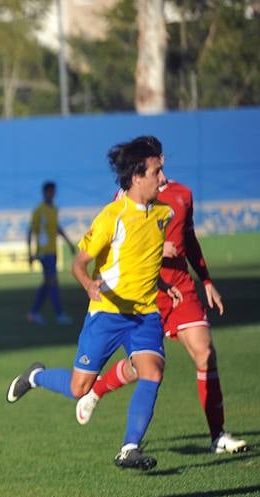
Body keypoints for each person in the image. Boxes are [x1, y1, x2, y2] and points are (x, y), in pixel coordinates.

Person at [6, 137, 181, 471]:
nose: (163, 179)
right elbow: (78, 263)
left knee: (152, 372)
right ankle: (36, 376)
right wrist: (88, 285)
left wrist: (162, 283)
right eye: (157, 171)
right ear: (136, 177)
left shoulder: (163, 213)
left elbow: (145, 258)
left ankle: (130, 448)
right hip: (107, 314)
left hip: (144, 315)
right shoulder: (111, 217)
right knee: (78, 388)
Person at [75, 139, 248, 455]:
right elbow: (117, 241)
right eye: (156, 164)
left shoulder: (182, 196)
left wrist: (206, 280)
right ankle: (97, 389)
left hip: (179, 288)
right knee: (143, 367)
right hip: (143, 293)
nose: (161, 170)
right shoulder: (126, 200)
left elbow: (190, 240)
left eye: (161, 162)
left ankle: (218, 435)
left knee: (205, 353)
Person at [26, 181, 77, 325]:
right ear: (45, 192)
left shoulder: (54, 209)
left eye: (53, 191)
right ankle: (60, 315)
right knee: (53, 283)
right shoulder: (39, 211)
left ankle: (33, 313)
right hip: (44, 253)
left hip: (53, 252)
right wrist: (30, 253)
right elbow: (30, 231)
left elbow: (57, 228)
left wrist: (69, 243)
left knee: (48, 284)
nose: (52, 194)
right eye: (50, 191)